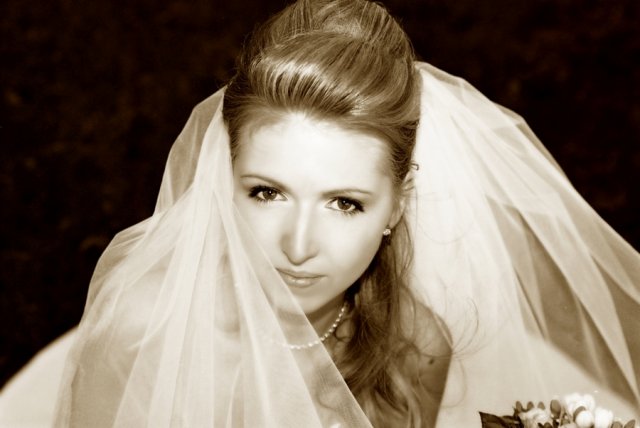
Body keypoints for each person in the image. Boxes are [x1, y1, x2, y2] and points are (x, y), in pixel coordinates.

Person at [45, 0, 639, 426]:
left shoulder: (415, 346)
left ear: (397, 206)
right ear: (221, 180)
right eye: (267, 192)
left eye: (344, 203)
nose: (298, 244)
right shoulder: (142, 333)